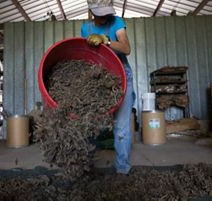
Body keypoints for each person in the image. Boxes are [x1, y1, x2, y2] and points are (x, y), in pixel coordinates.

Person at [81, 0, 135, 175]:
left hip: (121, 77)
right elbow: (87, 55)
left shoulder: (117, 22)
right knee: (91, 122)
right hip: (98, 78)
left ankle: (122, 169)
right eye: (100, 13)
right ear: (91, 11)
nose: (104, 16)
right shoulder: (86, 29)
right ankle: (86, 166)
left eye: (106, 12)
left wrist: (107, 41)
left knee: (121, 125)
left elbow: (126, 48)